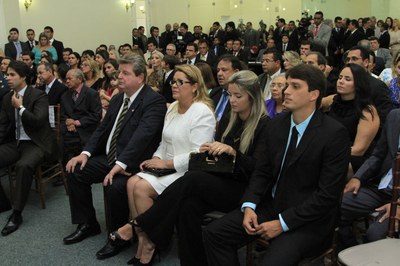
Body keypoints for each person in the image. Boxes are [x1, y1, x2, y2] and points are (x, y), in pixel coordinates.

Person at [113, 70, 269, 266]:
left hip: (246, 191)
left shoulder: (265, 126)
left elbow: (260, 170)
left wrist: (234, 154)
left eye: (238, 96)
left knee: (193, 178)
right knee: (188, 205)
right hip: (225, 179)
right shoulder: (231, 117)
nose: (232, 101)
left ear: (253, 97)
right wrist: (210, 150)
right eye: (229, 95)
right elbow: (219, 161)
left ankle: (137, 225)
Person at [203, 64, 351, 265]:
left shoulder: (334, 134)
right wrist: (249, 206)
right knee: (214, 234)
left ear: (313, 94)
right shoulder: (276, 125)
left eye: (295, 86)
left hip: (309, 220)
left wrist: (283, 224)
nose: (286, 91)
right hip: (271, 207)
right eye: (287, 85)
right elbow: (262, 172)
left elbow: (327, 196)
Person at [104, 64, 216, 264]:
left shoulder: (202, 113)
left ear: (195, 87)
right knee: (132, 183)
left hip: (187, 172)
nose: (174, 85)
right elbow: (164, 143)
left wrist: (166, 163)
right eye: (173, 81)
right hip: (165, 164)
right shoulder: (172, 107)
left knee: (141, 189)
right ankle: (144, 239)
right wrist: (155, 158)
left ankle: (148, 244)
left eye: (181, 82)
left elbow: (198, 156)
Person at [62, 55, 167, 261]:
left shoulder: (154, 101)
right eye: (119, 72)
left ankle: (117, 235)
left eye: (125, 73)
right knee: (75, 170)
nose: (119, 76)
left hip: (133, 163)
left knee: (115, 185)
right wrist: (85, 153)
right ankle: (88, 223)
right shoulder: (119, 98)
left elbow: (142, 137)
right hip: (109, 157)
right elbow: (102, 130)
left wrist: (120, 164)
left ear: (141, 77)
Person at [0, 61, 58, 235]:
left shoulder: (38, 95)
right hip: (16, 142)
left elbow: (39, 120)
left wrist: (21, 108)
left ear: (23, 77)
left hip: (37, 142)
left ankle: (16, 214)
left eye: (12, 75)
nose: (7, 78)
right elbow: (3, 125)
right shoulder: (6, 97)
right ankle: (3, 202)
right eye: (6, 75)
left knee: (23, 166)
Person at [338, 108, 400, 247]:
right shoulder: (395, 116)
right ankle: (349, 249)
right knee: (336, 204)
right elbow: (378, 155)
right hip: (381, 187)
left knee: (375, 234)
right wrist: (358, 177)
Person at [329, 64, 379, 175]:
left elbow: (359, 150)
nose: (341, 81)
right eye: (340, 77)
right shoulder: (334, 100)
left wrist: (326, 151)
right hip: (331, 149)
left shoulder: (367, 110)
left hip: (353, 158)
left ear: (358, 84)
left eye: (347, 79)